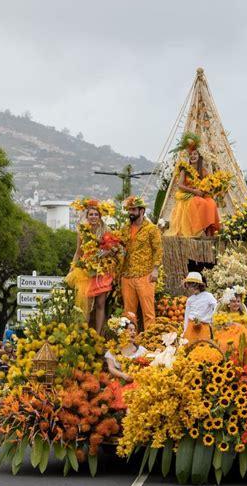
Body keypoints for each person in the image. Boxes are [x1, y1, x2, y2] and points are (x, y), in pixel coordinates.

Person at [67, 199, 123, 335]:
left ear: (100, 216)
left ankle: (98, 334)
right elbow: (78, 252)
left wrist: (107, 251)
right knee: (85, 304)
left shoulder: (106, 230)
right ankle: (83, 333)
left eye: (96, 214)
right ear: (87, 216)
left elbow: (116, 248)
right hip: (86, 269)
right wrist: (72, 268)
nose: (93, 217)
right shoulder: (82, 231)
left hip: (102, 270)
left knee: (100, 304)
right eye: (91, 214)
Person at [120, 195, 163, 330]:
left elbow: (158, 250)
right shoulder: (125, 228)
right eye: (129, 210)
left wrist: (155, 269)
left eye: (133, 210)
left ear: (142, 211)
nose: (130, 213)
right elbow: (121, 246)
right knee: (128, 313)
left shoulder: (151, 229)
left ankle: (150, 342)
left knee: (148, 312)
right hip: (127, 274)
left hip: (145, 274)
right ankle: (129, 342)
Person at [166, 133, 220, 237]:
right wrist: (194, 191)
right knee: (200, 202)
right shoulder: (184, 169)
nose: (193, 156)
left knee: (211, 203)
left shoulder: (204, 171)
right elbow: (180, 186)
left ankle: (209, 232)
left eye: (195, 154)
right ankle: (200, 231)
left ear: (199, 156)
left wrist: (206, 190)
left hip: (201, 194)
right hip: (188, 195)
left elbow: (210, 184)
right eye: (191, 155)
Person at [105, 319, 148, 410]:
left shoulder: (141, 350)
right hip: (120, 380)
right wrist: (123, 375)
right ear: (122, 332)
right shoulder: (113, 350)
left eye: (134, 330)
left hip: (137, 380)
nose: (133, 332)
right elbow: (111, 368)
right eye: (130, 330)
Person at [214, 287, 247, 354]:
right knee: (222, 343)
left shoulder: (243, 315)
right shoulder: (224, 315)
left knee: (236, 343)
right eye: (234, 302)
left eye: (238, 301)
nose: (236, 304)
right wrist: (224, 326)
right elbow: (217, 327)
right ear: (229, 303)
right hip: (226, 335)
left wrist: (238, 326)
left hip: (240, 335)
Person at [182, 271, 217, 345]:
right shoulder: (190, 299)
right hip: (191, 326)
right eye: (189, 285)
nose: (190, 288)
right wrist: (185, 330)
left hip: (203, 326)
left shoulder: (208, 296)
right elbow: (186, 316)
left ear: (198, 285)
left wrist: (212, 319)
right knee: (189, 346)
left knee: (203, 346)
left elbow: (216, 307)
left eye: (192, 285)